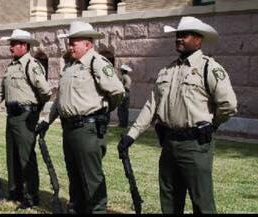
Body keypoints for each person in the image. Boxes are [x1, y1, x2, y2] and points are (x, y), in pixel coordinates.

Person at [117, 16, 238, 214]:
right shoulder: (167, 70)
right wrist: (131, 136)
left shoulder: (209, 68)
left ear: (199, 40)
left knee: (202, 202)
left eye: (184, 35)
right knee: (170, 201)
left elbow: (229, 104)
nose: (179, 39)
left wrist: (211, 125)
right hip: (168, 144)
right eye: (177, 35)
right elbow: (151, 106)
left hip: (195, 146)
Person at [36, 21, 125, 213]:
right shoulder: (69, 66)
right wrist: (46, 121)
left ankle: (97, 211)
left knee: (91, 177)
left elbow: (117, 91)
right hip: (69, 129)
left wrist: (103, 111)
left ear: (88, 44)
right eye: (69, 42)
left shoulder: (97, 63)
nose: (70, 46)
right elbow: (61, 99)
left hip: (88, 129)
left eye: (74, 42)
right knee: (74, 174)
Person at [0, 29, 52, 208]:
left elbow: (45, 91)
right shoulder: (11, 66)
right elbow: (0, 92)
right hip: (12, 115)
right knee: (12, 155)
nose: (11, 47)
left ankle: (31, 195)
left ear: (24, 46)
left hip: (25, 116)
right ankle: (15, 191)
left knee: (26, 156)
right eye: (11, 43)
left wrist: (36, 112)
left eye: (14, 44)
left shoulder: (32, 65)